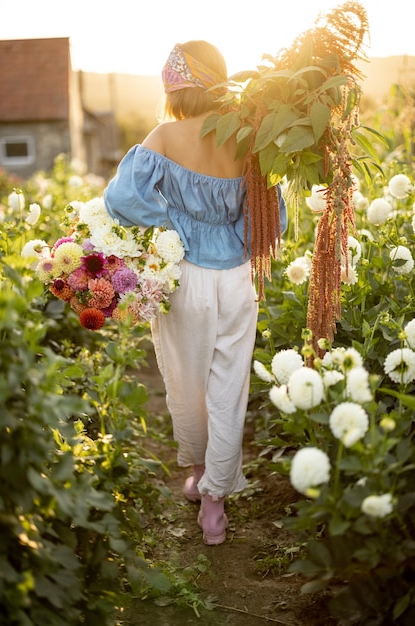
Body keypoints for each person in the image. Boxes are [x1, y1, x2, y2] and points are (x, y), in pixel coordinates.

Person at [104, 40, 287, 545]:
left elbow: (121, 199)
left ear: (173, 89)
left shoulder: (164, 135)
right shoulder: (248, 138)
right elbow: (271, 222)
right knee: (229, 390)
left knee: (186, 384)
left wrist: (174, 224)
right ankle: (214, 504)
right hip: (236, 279)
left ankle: (202, 471)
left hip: (185, 274)